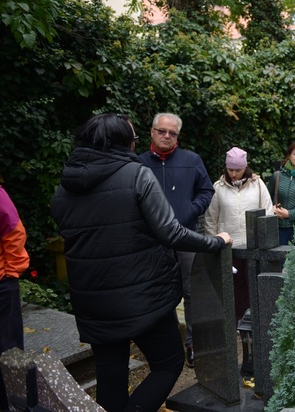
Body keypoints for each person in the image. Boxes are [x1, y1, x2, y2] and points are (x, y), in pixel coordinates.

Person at [50, 113, 232, 412]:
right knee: (168, 363)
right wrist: (216, 242)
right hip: (143, 296)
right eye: (133, 138)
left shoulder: (64, 186)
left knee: (110, 377)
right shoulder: (137, 175)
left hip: (93, 300)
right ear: (124, 143)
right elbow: (171, 232)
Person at [139, 112, 214, 369]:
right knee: (160, 294)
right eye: (162, 131)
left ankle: (193, 344)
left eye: (172, 133)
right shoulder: (138, 164)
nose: (166, 136)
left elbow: (206, 190)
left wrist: (190, 211)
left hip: (186, 237)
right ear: (152, 132)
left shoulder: (191, 160)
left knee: (192, 292)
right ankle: (168, 347)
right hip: (152, 242)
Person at [205, 147, 273, 321]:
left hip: (253, 246)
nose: (234, 174)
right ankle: (236, 322)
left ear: (245, 167)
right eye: (230, 170)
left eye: (238, 170)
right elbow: (211, 218)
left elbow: (268, 211)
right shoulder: (218, 188)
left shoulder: (258, 184)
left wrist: (264, 241)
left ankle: (257, 321)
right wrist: (214, 244)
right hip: (230, 246)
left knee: (254, 284)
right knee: (234, 287)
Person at [0, 186, 29, 411]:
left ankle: (14, 404)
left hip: (2, 285)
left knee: (9, 352)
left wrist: (11, 272)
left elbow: (13, 231)